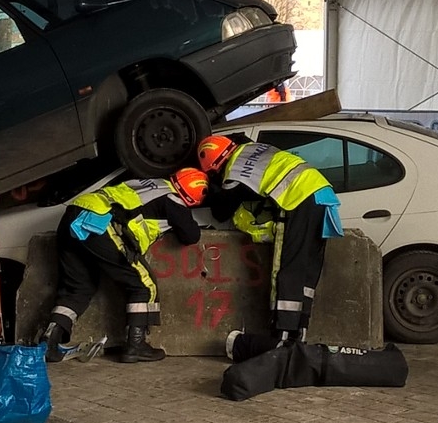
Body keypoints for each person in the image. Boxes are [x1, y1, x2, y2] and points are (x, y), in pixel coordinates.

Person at [40, 168, 208, 364]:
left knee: (77, 287)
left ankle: (50, 341)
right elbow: (191, 236)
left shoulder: (146, 183)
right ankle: (136, 345)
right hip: (100, 223)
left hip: (74, 214)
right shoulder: (174, 200)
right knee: (143, 285)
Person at [199, 133, 343, 345]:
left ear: (215, 165)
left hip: (297, 199)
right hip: (321, 193)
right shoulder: (253, 149)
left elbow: (222, 211)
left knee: (286, 270)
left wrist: (212, 190)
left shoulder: (234, 172)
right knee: (307, 270)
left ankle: (282, 335)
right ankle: (299, 332)